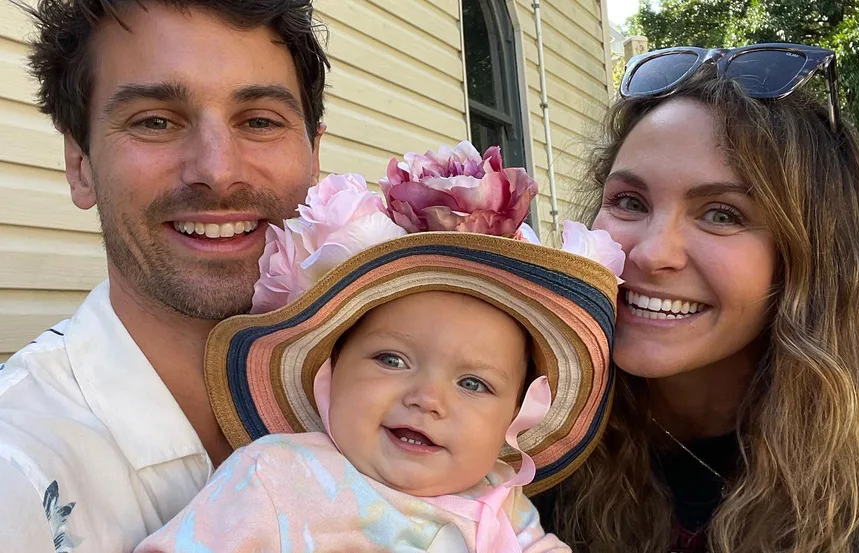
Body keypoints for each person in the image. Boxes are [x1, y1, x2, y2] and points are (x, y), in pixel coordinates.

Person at [134, 144, 624, 552]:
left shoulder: (504, 506)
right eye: (392, 360)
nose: (427, 399)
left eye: (474, 383)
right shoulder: (276, 476)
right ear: (331, 367)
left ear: (513, 421)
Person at [536, 44, 859, 552]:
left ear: (809, 256)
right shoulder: (524, 431)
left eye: (721, 214)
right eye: (629, 202)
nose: (651, 253)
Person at [0, 1, 328, 551]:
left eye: (260, 121)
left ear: (314, 157)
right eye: (155, 121)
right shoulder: (18, 471)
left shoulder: (393, 395)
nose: (217, 171)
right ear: (80, 165)